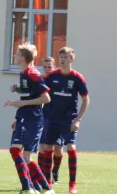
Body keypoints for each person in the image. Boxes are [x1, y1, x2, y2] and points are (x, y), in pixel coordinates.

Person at [5, 43, 54, 194]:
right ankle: (43, 188)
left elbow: (46, 98)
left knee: (18, 152)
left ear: (23, 58)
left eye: (17, 54)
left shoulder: (33, 74)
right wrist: (18, 89)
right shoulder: (24, 74)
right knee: (22, 154)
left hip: (32, 118)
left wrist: (21, 103)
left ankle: (29, 188)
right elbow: (31, 92)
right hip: (24, 117)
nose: (14, 56)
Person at [40, 47, 90, 194]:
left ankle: (72, 185)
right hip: (51, 118)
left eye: (66, 57)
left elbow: (86, 100)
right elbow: (38, 90)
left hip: (68, 120)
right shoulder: (51, 76)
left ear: (72, 59)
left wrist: (78, 119)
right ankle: (48, 183)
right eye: (61, 57)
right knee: (48, 148)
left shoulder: (77, 78)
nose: (62, 60)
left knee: (71, 148)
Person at [38, 57, 64, 185]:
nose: (47, 69)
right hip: (45, 116)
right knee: (42, 147)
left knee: (58, 148)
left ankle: (55, 171)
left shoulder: (58, 79)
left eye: (50, 67)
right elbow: (33, 92)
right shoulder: (42, 80)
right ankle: (40, 174)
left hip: (59, 117)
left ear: (54, 66)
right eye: (45, 67)